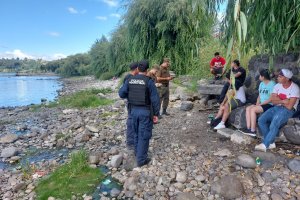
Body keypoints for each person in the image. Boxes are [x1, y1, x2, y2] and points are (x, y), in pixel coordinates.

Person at [119, 60, 160, 167]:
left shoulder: (129, 80)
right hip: (145, 112)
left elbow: (121, 94)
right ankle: (141, 160)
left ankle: (138, 153)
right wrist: (156, 114)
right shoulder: (149, 81)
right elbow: (155, 99)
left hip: (133, 111)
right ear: (147, 70)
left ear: (138, 69)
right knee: (144, 135)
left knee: (136, 132)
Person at [255, 69, 300, 152]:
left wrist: (278, 100)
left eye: (280, 76)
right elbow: (273, 101)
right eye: (278, 76)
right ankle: (271, 142)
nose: (277, 78)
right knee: (261, 120)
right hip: (277, 107)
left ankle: (265, 144)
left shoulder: (295, 88)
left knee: (274, 123)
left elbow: (290, 106)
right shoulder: (277, 86)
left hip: (288, 110)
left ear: (286, 78)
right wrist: (283, 101)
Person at [240, 69, 276, 136]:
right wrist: (257, 104)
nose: (259, 77)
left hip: (269, 104)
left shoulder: (272, 84)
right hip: (261, 104)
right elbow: (259, 95)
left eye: (260, 75)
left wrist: (260, 104)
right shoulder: (261, 84)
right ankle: (248, 128)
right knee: (248, 108)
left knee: (253, 109)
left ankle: (253, 131)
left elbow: (271, 98)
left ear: (263, 77)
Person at [123, 62, 139, 150]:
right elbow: (124, 92)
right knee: (131, 120)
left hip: (130, 101)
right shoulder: (129, 78)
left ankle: (133, 139)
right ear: (136, 69)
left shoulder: (128, 77)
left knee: (133, 119)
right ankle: (130, 142)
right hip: (130, 102)